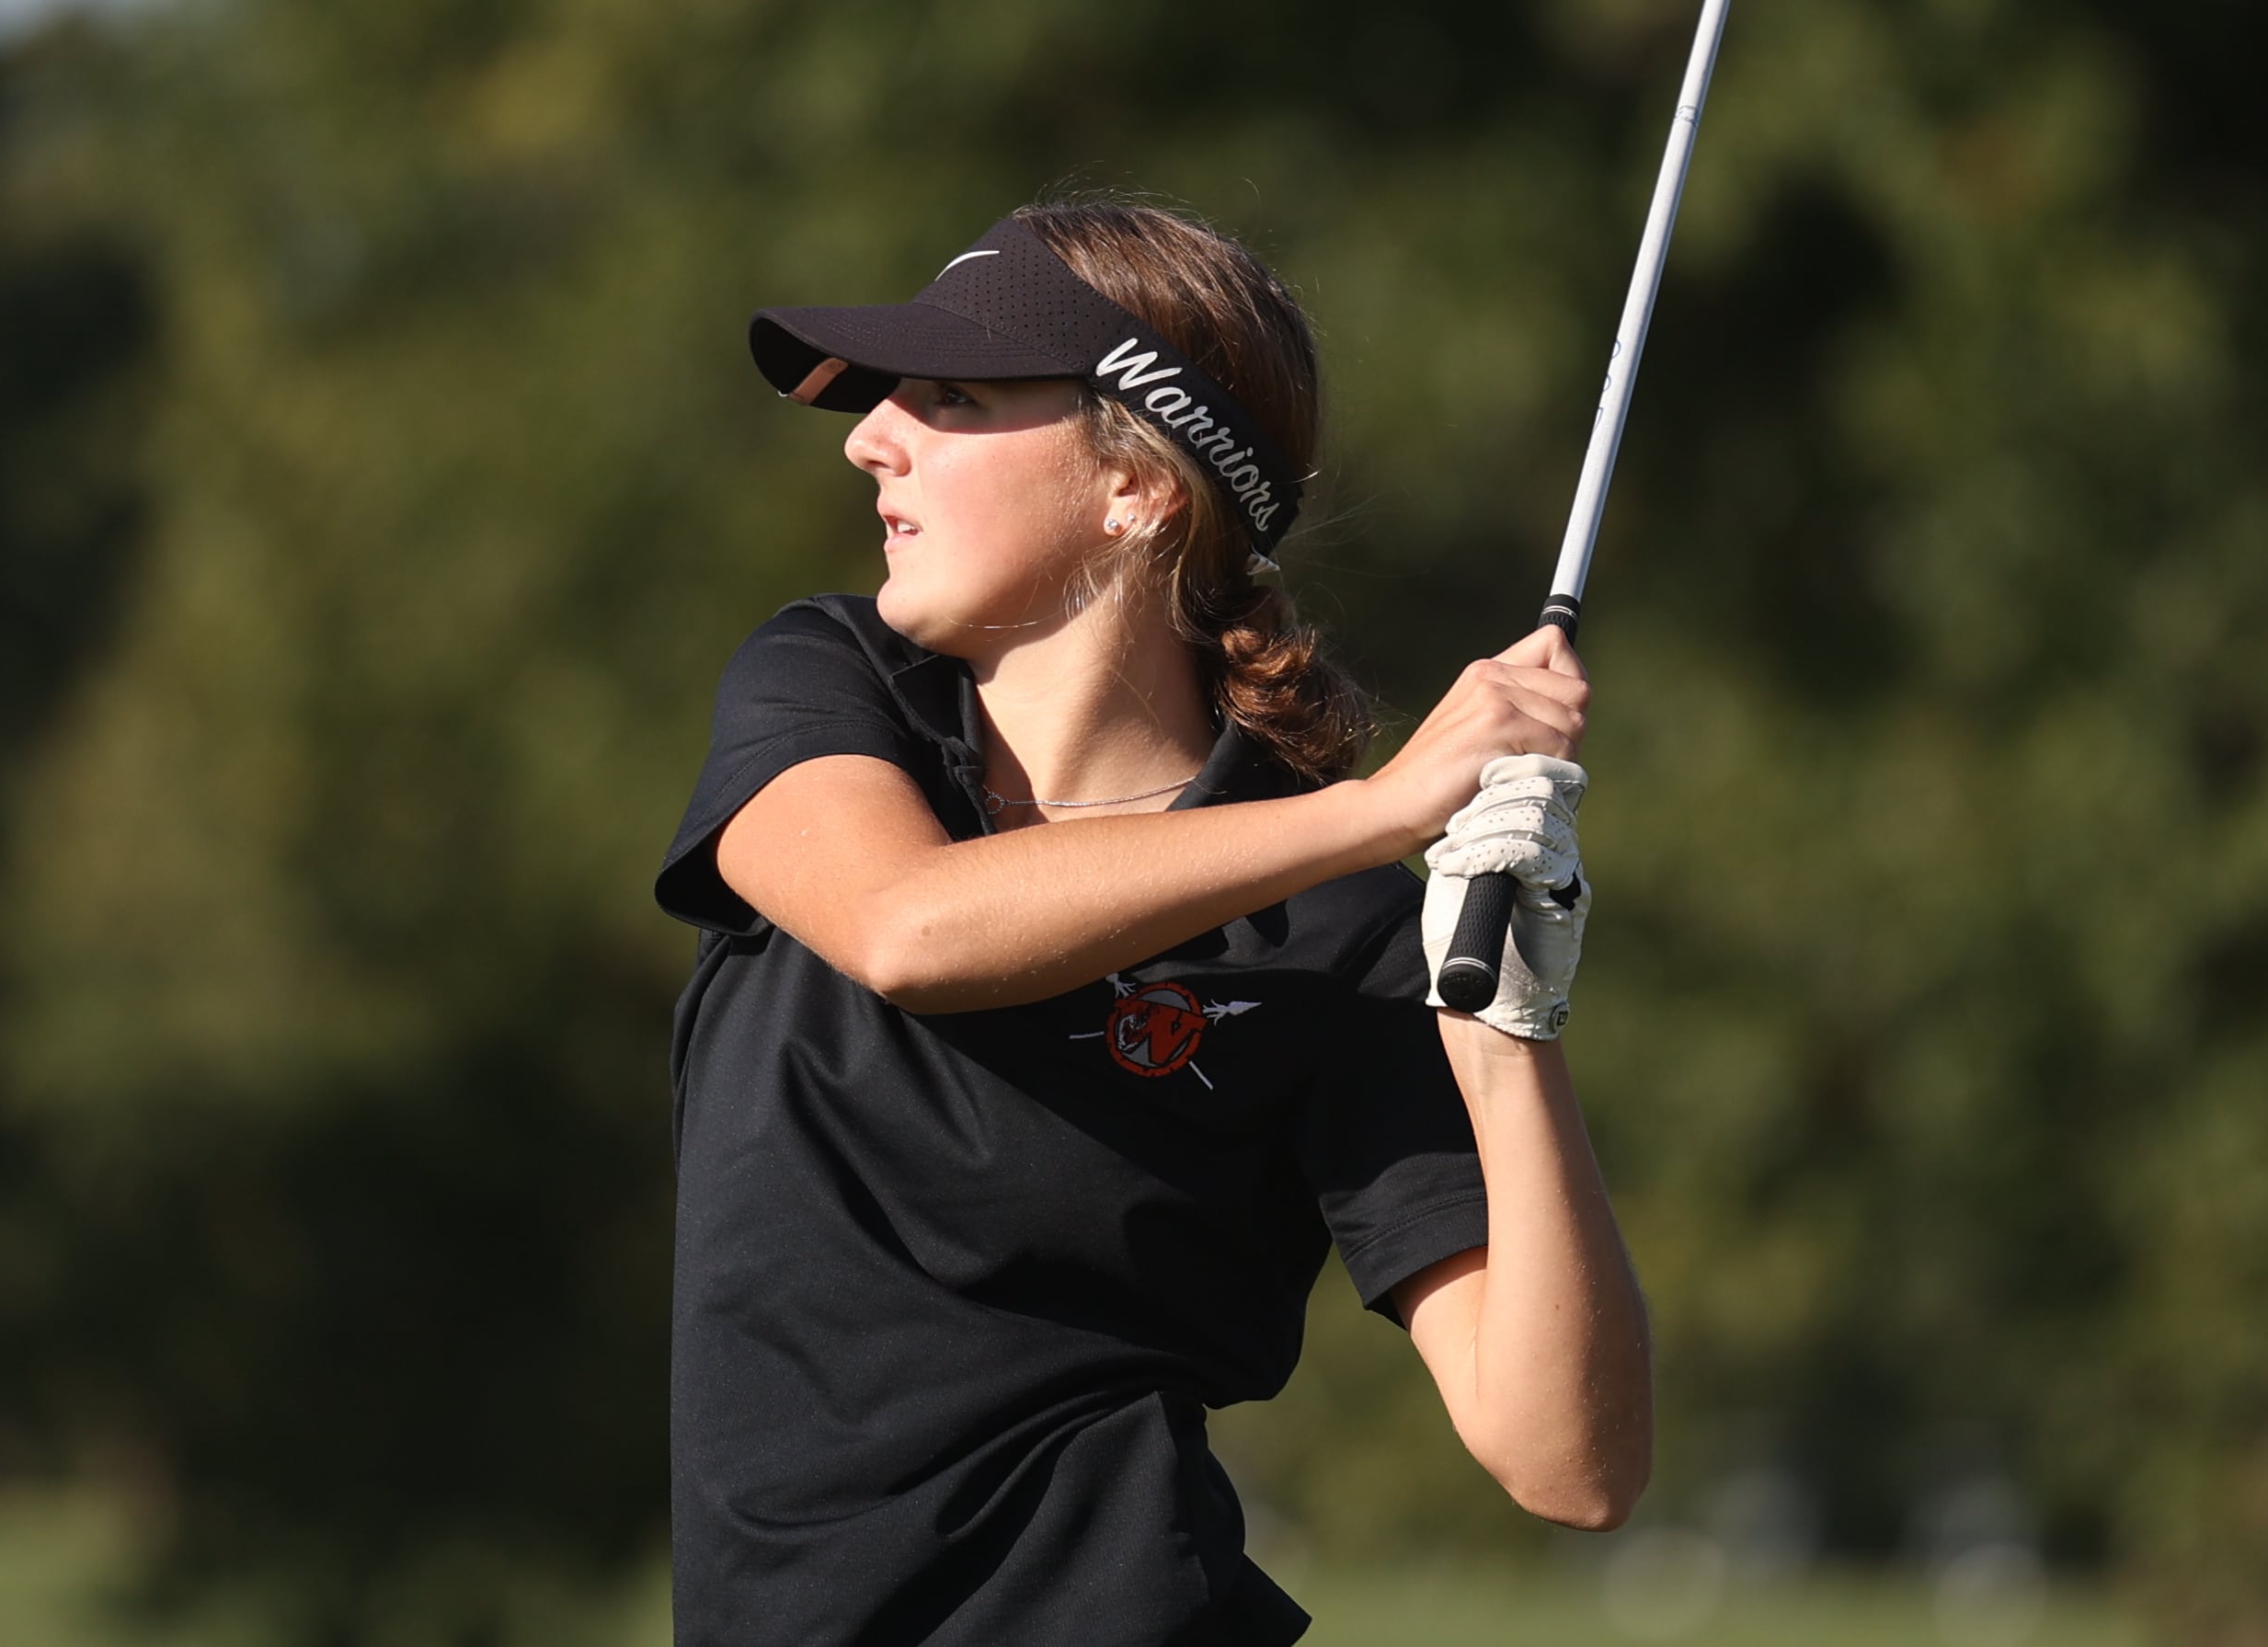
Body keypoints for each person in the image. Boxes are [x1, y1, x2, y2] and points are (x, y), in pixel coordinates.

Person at [654, 200, 1651, 1647]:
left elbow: (1571, 1464)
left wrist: (1509, 1038)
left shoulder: (1337, 930)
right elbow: (907, 932)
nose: (874, 438)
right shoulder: (832, 691)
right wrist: (1378, 808)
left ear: (1137, 486)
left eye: (951, 399)